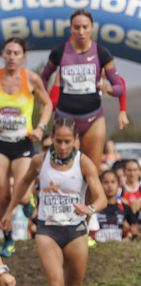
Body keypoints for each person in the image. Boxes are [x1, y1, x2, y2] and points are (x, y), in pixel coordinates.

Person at [6, 118, 106, 286]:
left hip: (75, 230)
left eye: (67, 142)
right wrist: (9, 211)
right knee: (55, 285)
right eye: (58, 141)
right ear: (51, 138)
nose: (62, 146)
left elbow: (101, 197)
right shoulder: (40, 161)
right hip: (48, 230)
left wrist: (89, 209)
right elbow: (24, 183)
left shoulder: (84, 162)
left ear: (76, 140)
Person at [0, 37, 53, 258]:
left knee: (21, 196)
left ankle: (28, 201)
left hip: (23, 143)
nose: (12, 57)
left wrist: (41, 128)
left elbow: (48, 103)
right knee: (3, 196)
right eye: (8, 53)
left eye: (16, 53)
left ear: (24, 57)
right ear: (2, 54)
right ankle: (8, 239)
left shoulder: (31, 79)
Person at [41, 10, 125, 186]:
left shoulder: (102, 53)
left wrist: (108, 88)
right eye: (77, 27)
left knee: (91, 173)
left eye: (85, 27)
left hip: (93, 118)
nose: (81, 32)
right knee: (65, 170)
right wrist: (45, 101)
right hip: (65, 118)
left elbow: (119, 87)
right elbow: (43, 77)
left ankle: (88, 213)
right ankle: (63, 211)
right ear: (70, 29)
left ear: (91, 28)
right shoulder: (59, 52)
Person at [92, 170, 139, 241]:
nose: (110, 185)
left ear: (119, 185)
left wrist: (129, 237)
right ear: (100, 185)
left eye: (113, 182)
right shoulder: (93, 207)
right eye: (106, 182)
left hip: (117, 249)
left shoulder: (125, 208)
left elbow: (136, 232)